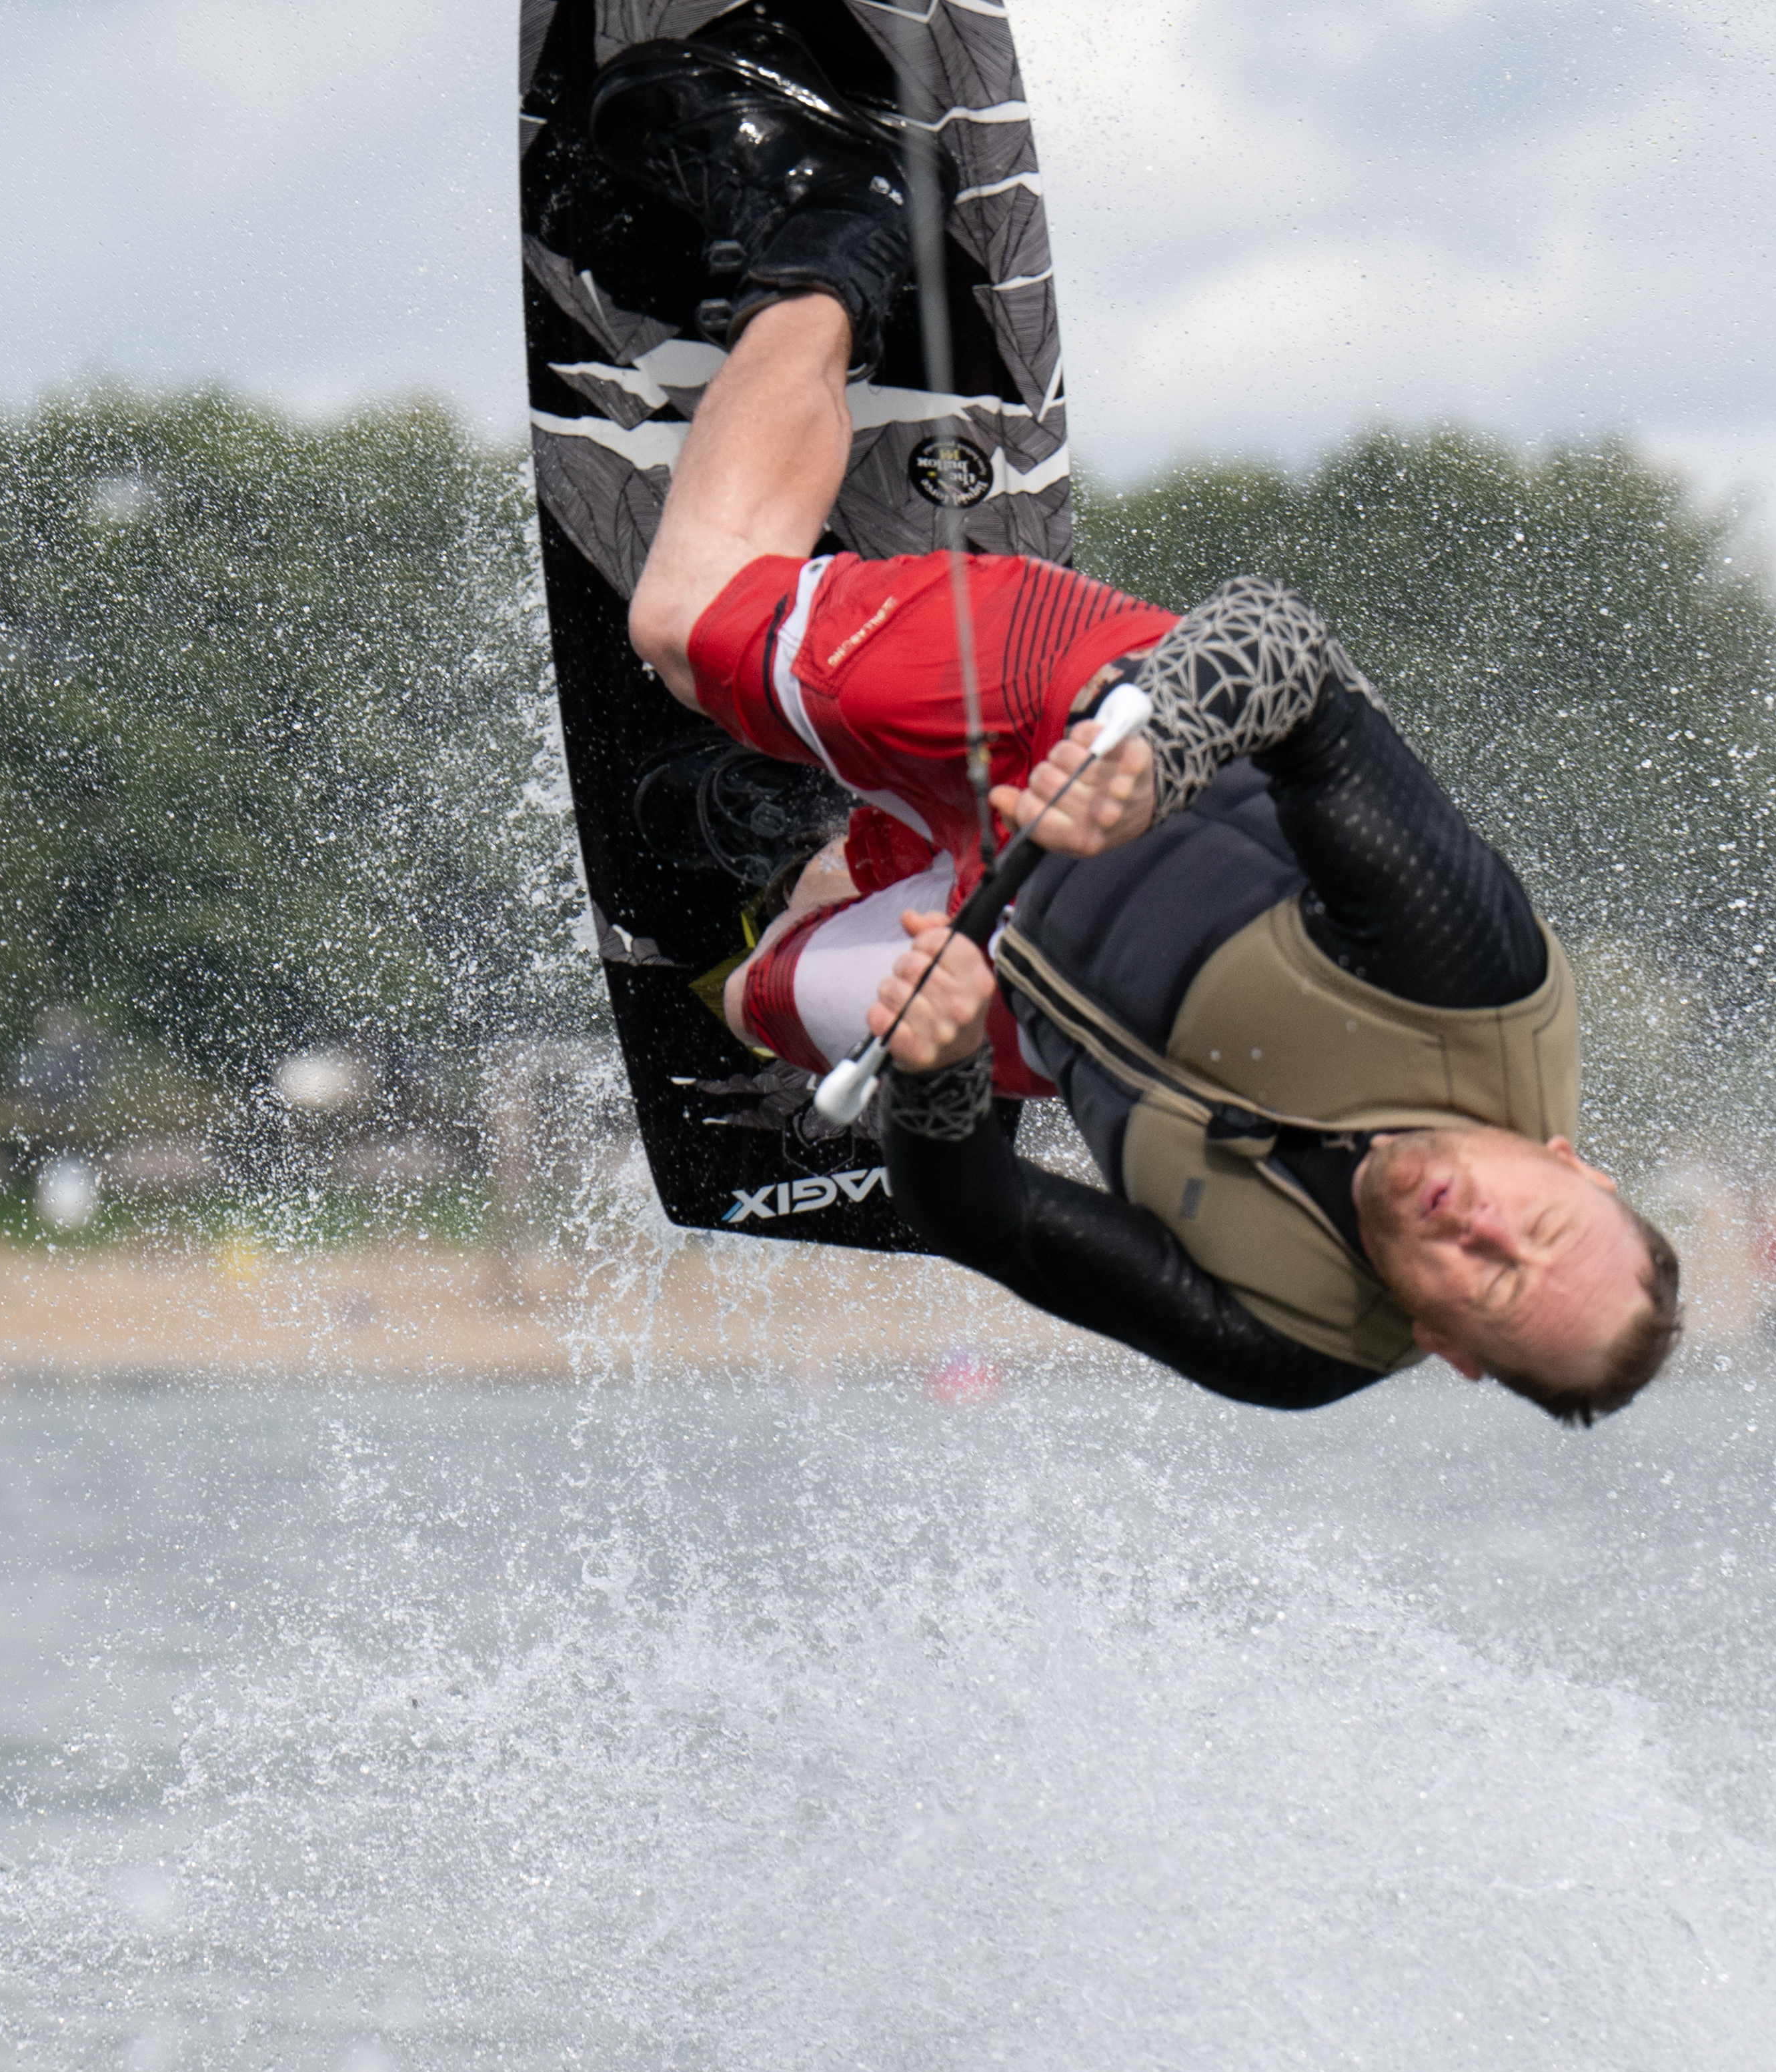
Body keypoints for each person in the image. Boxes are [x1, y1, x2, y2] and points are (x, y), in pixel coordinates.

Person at [592, 27, 1682, 1420]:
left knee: (749, 998)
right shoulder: (1465, 975)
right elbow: (1287, 651)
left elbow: (978, 1215)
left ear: (1447, 1347)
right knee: (685, 628)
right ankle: (830, 237)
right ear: (1575, 1163)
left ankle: (823, 825)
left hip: (1013, 968)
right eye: (1535, 1224)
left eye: (1492, 1285)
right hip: (1072, 706)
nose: (1478, 1227)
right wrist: (1157, 751)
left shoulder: (1292, 1340)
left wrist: (932, 1074)